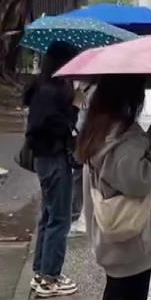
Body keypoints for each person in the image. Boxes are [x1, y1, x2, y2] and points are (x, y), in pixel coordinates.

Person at [80, 75, 151, 300]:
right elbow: (140, 179)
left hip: (112, 240)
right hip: (131, 243)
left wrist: (149, 138)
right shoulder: (124, 136)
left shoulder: (98, 127)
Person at [22, 41, 80, 298]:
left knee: (49, 216)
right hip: (54, 159)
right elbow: (54, 126)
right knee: (60, 218)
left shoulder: (43, 87)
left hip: (46, 159)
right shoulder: (51, 91)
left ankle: (41, 271)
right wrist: (75, 106)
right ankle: (50, 278)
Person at [70, 83, 93, 237]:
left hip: (83, 136)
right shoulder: (86, 90)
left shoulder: (83, 88)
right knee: (80, 177)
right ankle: (74, 216)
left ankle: (75, 216)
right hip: (83, 137)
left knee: (80, 177)